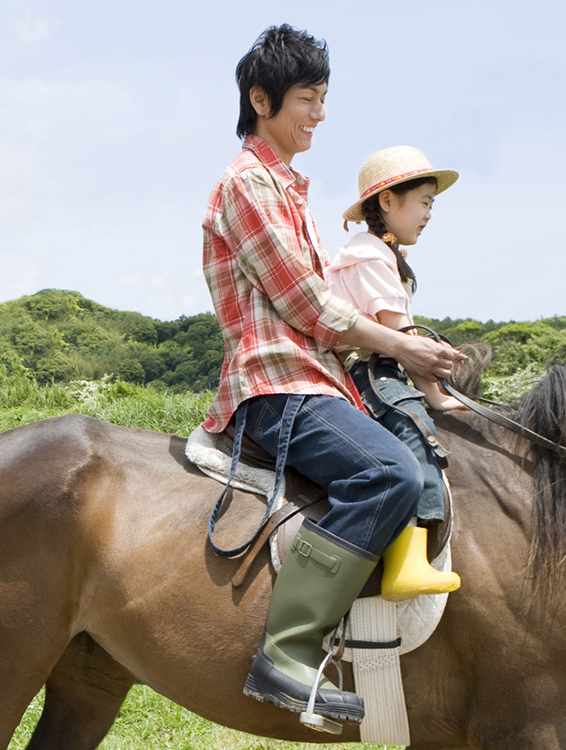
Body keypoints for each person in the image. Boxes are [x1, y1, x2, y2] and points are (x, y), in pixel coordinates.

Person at [200, 25, 463, 731]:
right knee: (387, 474)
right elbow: (312, 307)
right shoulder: (246, 185)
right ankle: (285, 653)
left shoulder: (289, 190)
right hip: (277, 384)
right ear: (261, 99)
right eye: (307, 100)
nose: (319, 114)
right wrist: (403, 352)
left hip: (319, 379)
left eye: (323, 99)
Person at [326, 145, 466, 596]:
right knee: (410, 426)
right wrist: (437, 394)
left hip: (379, 363)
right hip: (366, 369)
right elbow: (401, 339)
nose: (429, 214)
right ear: (388, 202)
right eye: (424, 202)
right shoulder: (368, 254)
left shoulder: (379, 254)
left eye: (431, 205)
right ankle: (408, 558)